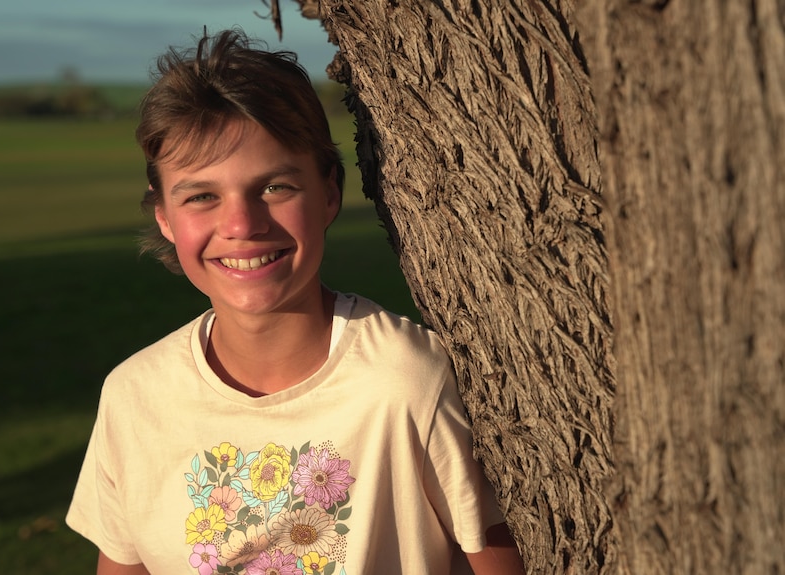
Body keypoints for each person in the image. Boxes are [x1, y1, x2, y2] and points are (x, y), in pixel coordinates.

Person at [66, 29, 525, 575]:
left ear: (329, 191)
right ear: (164, 215)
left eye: (275, 187)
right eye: (201, 196)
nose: (241, 225)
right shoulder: (133, 398)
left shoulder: (405, 383)